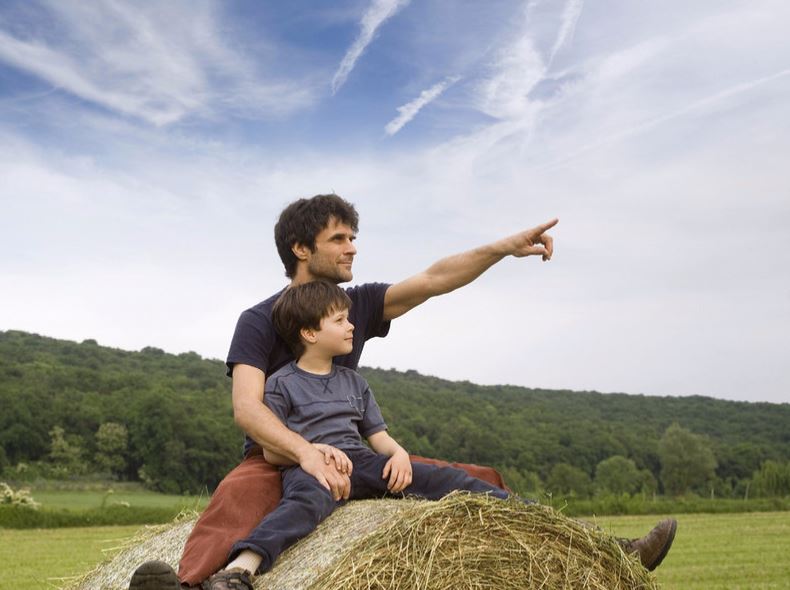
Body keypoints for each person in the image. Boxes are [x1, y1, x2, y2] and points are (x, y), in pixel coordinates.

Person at [129, 194, 676, 590]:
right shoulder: (258, 319)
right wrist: (304, 453)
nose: (352, 248)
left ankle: (602, 552)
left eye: (352, 237)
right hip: (280, 454)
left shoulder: (358, 303)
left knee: (475, 480)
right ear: (301, 248)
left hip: (357, 447)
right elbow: (247, 408)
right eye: (339, 239)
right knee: (235, 503)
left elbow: (435, 279)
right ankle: (191, 585)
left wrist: (503, 249)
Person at [206, 280, 532, 588]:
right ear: (309, 332)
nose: (351, 326)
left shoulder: (355, 383)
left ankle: (523, 511)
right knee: (301, 507)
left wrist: (400, 454)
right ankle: (239, 569)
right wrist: (313, 451)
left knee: (440, 478)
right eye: (340, 320)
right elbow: (272, 452)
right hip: (310, 469)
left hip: (361, 461)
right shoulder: (280, 384)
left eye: (349, 318)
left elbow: (379, 438)